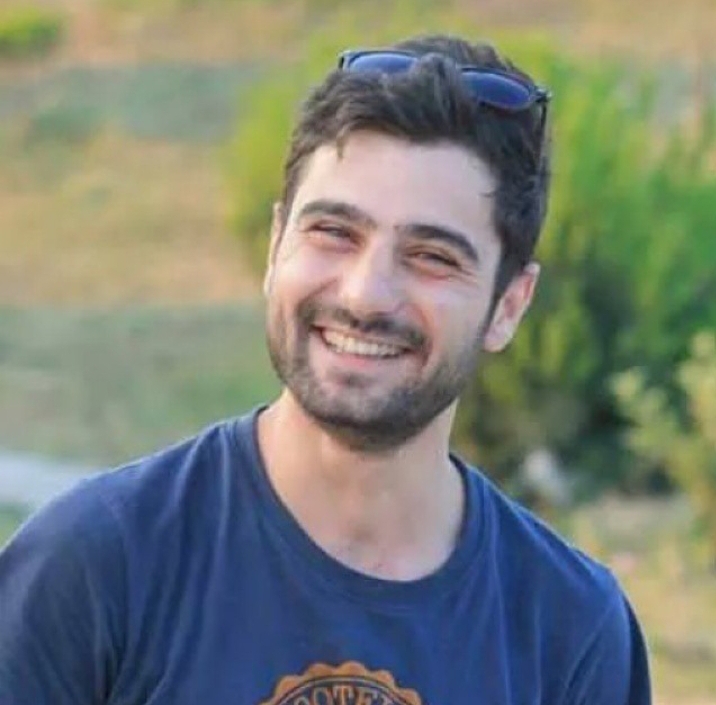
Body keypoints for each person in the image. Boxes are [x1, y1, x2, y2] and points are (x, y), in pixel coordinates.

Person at [0, 34, 651, 705]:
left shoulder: (569, 629)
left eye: (432, 256)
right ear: (276, 245)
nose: (365, 295)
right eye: (335, 233)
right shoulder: (95, 567)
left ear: (508, 305)